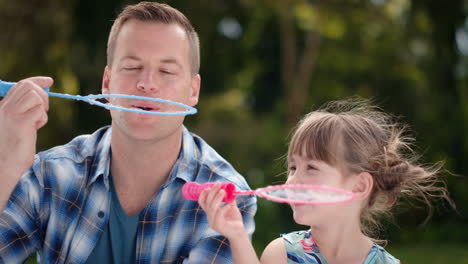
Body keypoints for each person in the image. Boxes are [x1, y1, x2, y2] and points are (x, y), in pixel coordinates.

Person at [0, 2, 256, 263]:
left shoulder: (225, 198)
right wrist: (6, 164)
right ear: (107, 83)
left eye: (166, 71)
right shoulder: (49, 176)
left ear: (193, 90)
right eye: (132, 67)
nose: (146, 84)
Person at [199, 98, 454, 264]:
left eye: (311, 167)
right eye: (292, 167)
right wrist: (237, 235)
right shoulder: (282, 254)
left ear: (359, 186)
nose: (293, 180)